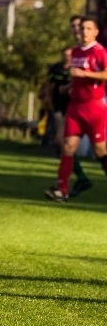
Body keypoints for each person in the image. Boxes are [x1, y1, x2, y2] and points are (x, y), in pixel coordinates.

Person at [44, 16, 107, 203]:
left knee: (100, 152)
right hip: (75, 107)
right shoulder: (77, 52)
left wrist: (84, 74)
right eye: (83, 28)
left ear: (96, 32)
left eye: (89, 28)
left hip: (94, 108)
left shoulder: (100, 52)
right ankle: (62, 190)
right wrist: (70, 87)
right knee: (67, 146)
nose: (84, 32)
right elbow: (77, 77)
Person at [46, 26, 92, 197]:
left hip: (82, 106)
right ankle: (74, 180)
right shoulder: (59, 68)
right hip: (65, 106)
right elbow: (51, 86)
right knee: (63, 142)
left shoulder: (88, 58)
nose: (76, 31)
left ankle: (78, 179)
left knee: (65, 142)